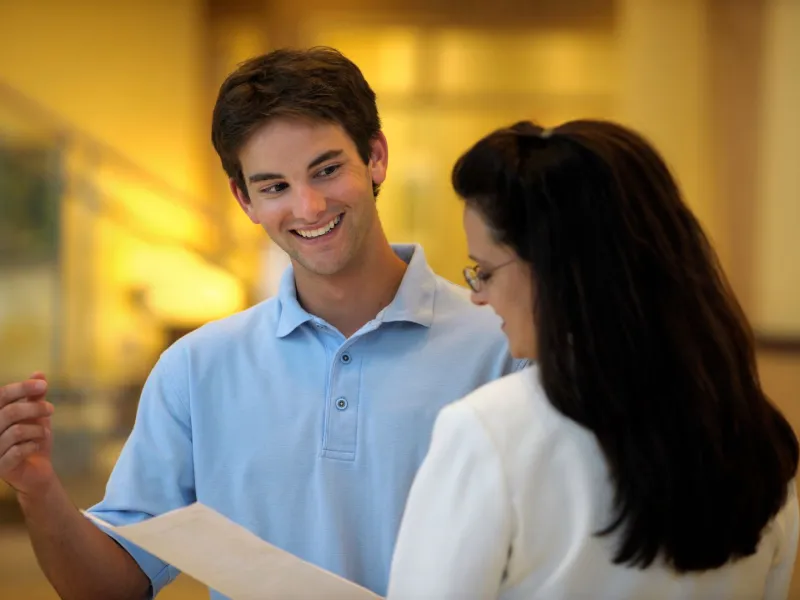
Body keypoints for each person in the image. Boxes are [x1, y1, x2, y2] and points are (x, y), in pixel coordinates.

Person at [0, 48, 524, 600]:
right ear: (243, 198)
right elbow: (111, 588)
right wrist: (37, 488)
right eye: (274, 186)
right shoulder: (195, 370)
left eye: (327, 169)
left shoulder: (503, 346)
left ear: (375, 157)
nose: (309, 205)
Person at [386, 120, 800, 599]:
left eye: (484, 271)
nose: (479, 297)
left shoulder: (489, 432)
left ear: (554, 272)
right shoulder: (758, 438)